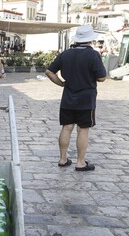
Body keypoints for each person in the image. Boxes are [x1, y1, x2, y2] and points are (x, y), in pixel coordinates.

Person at [44, 24, 107, 172]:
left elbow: (49, 71)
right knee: (83, 130)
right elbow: (102, 77)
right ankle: (80, 162)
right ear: (90, 39)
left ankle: (63, 159)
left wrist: (62, 84)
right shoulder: (93, 55)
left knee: (66, 128)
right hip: (86, 99)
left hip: (68, 97)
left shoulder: (65, 54)